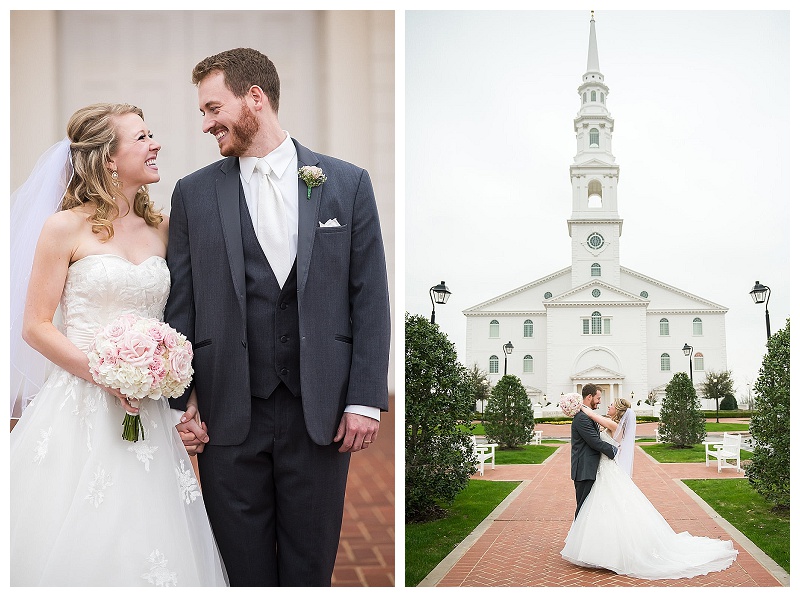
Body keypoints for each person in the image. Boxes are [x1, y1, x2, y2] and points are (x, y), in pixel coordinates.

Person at [163, 48, 391, 587]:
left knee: (310, 567)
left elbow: (370, 297)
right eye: (202, 112)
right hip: (226, 414)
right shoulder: (192, 193)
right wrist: (183, 400)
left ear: (255, 100)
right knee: (239, 569)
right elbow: (181, 305)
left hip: (322, 415)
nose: (205, 123)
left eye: (213, 108)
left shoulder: (346, 183)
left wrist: (364, 399)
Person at [9, 103, 227, 586]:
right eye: (143, 137)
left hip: (148, 408)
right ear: (109, 158)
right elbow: (36, 326)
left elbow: (180, 320)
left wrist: (183, 397)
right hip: (82, 403)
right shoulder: (63, 227)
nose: (157, 145)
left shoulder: (164, 229)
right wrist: (107, 375)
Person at [561, 396, 738, 579]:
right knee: (604, 507)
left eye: (612, 404)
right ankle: (599, 548)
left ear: (619, 411)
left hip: (607, 469)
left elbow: (592, 416)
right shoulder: (610, 424)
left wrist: (578, 406)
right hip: (603, 470)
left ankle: (609, 551)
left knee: (609, 507)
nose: (608, 405)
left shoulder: (613, 425)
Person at [570, 384, 618, 519]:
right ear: (589, 397)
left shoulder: (586, 415)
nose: (600, 401)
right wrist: (615, 452)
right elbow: (594, 442)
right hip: (584, 469)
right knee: (583, 508)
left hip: (589, 468)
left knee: (589, 509)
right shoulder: (582, 418)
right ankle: (577, 538)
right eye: (598, 398)